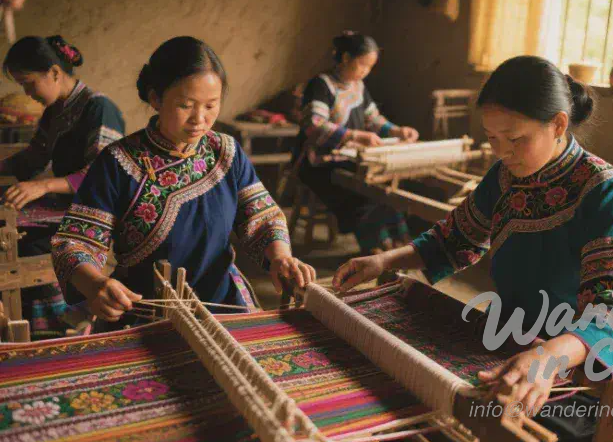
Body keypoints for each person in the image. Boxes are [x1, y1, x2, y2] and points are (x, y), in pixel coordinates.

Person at [333, 56, 613, 442]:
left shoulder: (606, 193)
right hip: (512, 340)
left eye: (515, 139)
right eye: (492, 139)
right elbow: (453, 238)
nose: (502, 153)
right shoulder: (504, 178)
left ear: (558, 125)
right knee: (408, 417)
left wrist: (549, 358)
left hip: (582, 368)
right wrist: (383, 261)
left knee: (485, 434)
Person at [51, 36, 314, 330]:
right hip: (144, 310)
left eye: (211, 105)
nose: (199, 119)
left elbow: (262, 217)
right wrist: (96, 284)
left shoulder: (225, 152)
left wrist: (281, 258)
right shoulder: (118, 162)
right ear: (155, 99)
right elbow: (73, 243)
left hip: (223, 304)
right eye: (186, 105)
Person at [0, 35, 125, 338]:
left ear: (55, 73)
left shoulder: (100, 108)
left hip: (91, 213)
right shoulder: (54, 112)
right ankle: (19, 322)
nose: (27, 93)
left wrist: (43, 186)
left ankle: (55, 326)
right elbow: (33, 158)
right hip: (62, 204)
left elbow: (102, 175)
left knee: (25, 239)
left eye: (29, 83)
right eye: (22, 86)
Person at [293, 31, 419, 255]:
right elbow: (314, 126)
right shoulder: (322, 85)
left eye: (370, 67)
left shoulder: (358, 86)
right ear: (345, 58)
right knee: (364, 191)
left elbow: (374, 119)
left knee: (387, 188)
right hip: (318, 163)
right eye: (362, 65)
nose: (365, 72)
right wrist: (355, 136)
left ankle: (397, 245)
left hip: (348, 158)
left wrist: (398, 131)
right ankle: (376, 249)